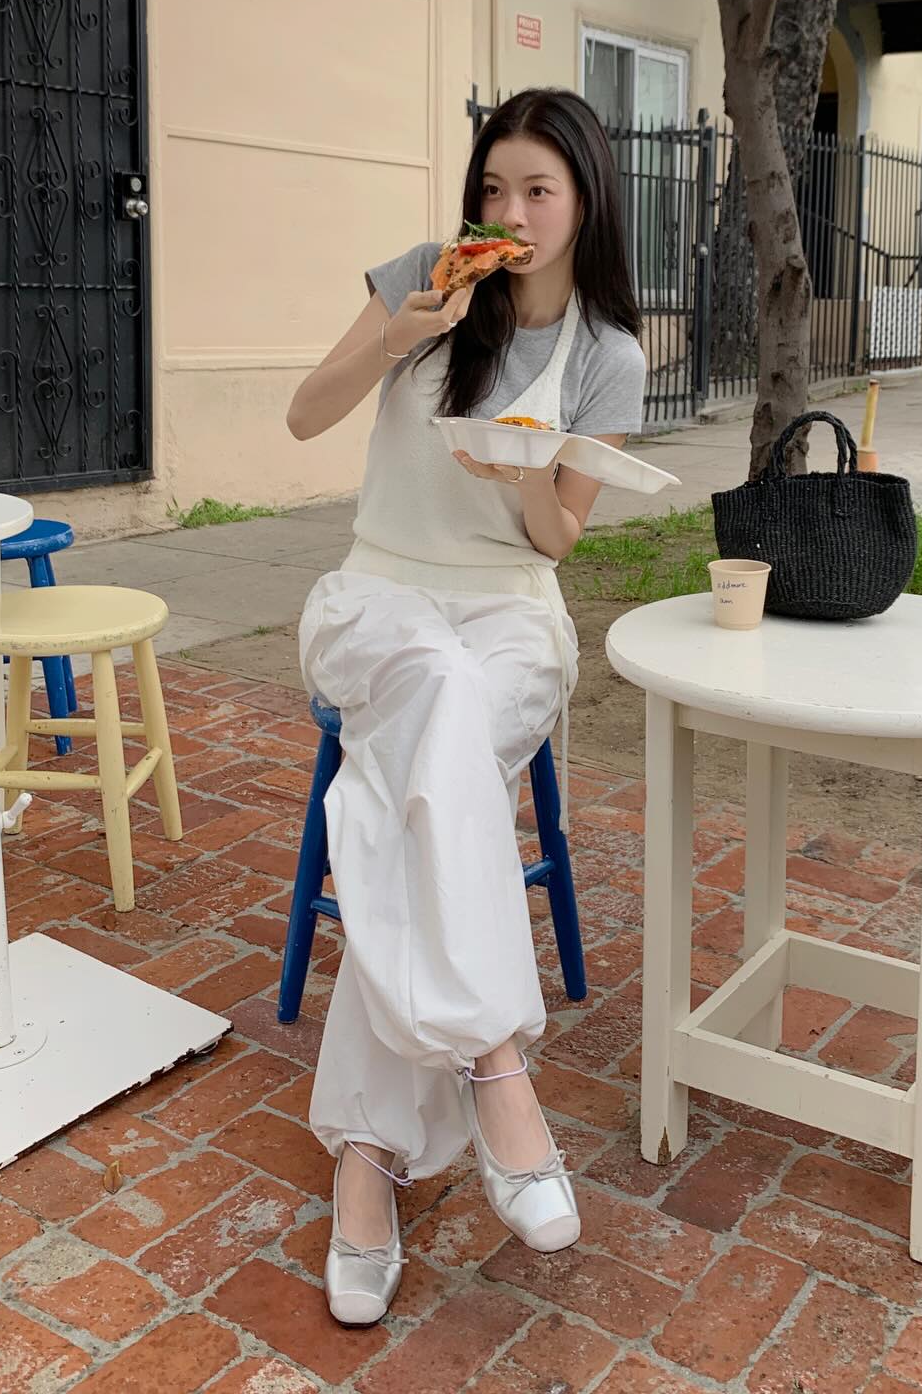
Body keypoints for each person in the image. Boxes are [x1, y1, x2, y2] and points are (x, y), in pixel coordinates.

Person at [286, 88, 645, 1325]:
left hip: (509, 613)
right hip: (378, 596)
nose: (511, 214)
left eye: (538, 190)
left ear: (585, 200)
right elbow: (305, 413)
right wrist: (403, 331)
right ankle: (497, 1064)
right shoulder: (425, 277)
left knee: (409, 788)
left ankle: (366, 1159)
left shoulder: (607, 356)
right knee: (431, 710)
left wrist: (524, 469)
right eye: (495, 188)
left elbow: (558, 539)